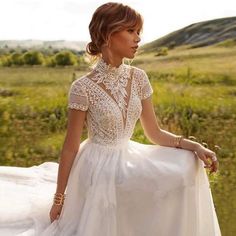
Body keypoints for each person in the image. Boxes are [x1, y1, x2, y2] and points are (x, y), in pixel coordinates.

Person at [0, 2, 221, 236]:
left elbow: (154, 133)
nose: (138, 39)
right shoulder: (82, 88)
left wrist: (194, 146)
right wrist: (59, 197)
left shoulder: (139, 77)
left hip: (129, 158)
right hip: (96, 167)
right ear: (107, 34)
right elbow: (70, 147)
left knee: (185, 166)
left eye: (139, 32)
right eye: (131, 31)